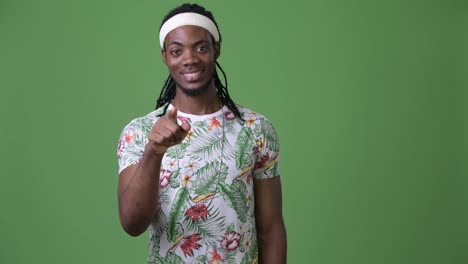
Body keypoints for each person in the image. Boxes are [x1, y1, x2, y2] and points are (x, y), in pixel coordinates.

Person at [116, 3, 286, 263]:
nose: (190, 59)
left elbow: (271, 228)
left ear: (216, 49)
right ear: (165, 57)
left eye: (201, 48)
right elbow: (132, 224)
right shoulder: (139, 133)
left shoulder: (256, 129)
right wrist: (153, 152)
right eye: (176, 51)